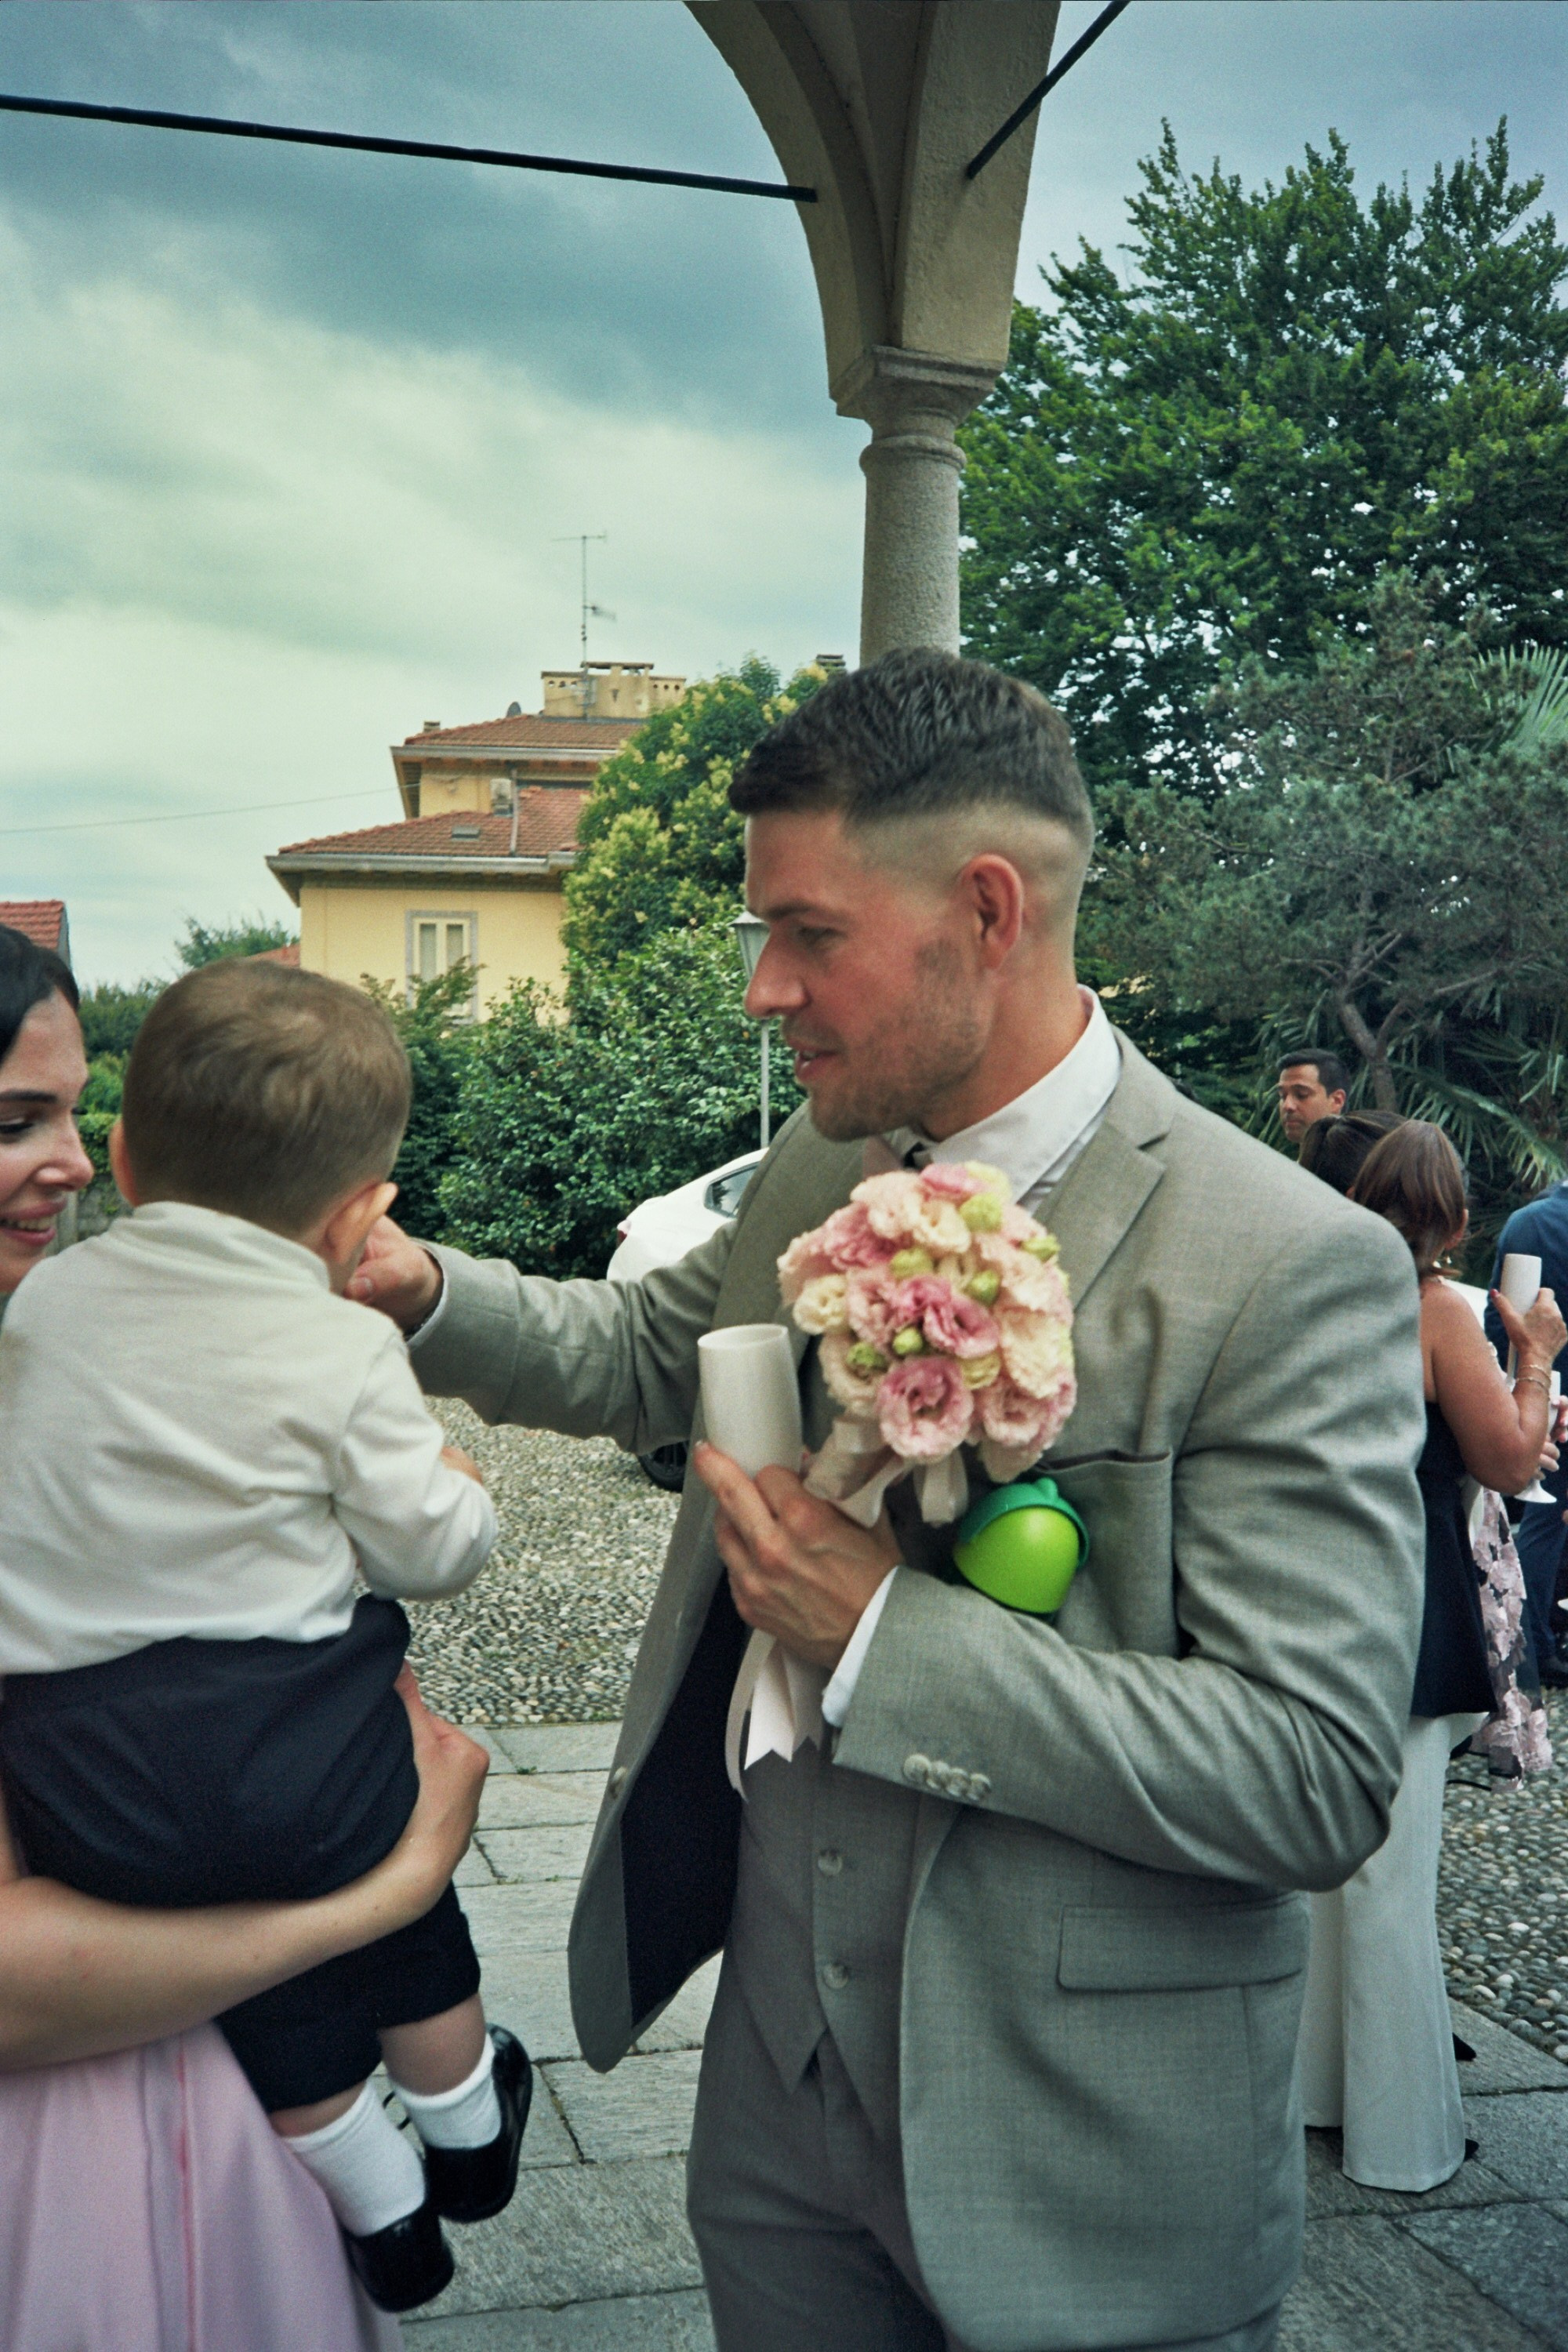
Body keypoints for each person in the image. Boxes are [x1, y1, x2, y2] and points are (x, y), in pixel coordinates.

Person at [350, 649, 1426, 2351]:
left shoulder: (1292, 1269)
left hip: (1082, 2162)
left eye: (810, 933)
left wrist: (877, 1640)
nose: (764, 989)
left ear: (986, 911)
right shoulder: (827, 1157)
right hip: (778, 2114)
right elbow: (650, 1348)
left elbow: (1311, 1777)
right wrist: (414, 1290)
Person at [0, 960, 529, 2316]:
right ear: (361, 1213)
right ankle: (466, 2134)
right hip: (281, 1765)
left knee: (294, 2023)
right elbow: (426, 1543)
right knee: (401, 1949)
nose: (60, 1166)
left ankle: (396, 2211)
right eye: (13, 1120)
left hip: (92, 1788)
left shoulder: (43, 1316)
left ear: (122, 1146)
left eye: (67, 1121)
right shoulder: (336, 1341)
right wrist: (459, 1485)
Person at [1298, 1121, 1565, 2190]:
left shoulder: (1310, 1298)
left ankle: (1316, 2093)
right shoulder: (1440, 1312)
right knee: (1394, 1883)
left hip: (1309, 1598)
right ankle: (1401, 2138)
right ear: (1453, 1222)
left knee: (1324, 1873)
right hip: (1406, 1608)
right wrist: (1535, 1351)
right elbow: (1508, 1460)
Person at [1484, 1182, 1568, 1683]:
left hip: (1536, 1387)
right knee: (1549, 1521)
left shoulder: (1528, 1224)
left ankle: (1532, 1640)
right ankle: (1536, 1644)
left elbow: (1501, 1320)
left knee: (1540, 1521)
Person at [1276, 1049, 1349, 1148]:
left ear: (1337, 1101)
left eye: (1301, 1095)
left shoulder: (1361, 1161)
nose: (1287, 1106)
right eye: (1283, 1096)